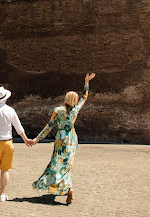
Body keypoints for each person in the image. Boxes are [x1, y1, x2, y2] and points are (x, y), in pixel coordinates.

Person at [32, 73, 96, 204]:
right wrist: (86, 82)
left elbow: (48, 126)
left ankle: (68, 188)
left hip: (61, 139)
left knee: (56, 164)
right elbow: (84, 97)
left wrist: (37, 139)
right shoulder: (76, 109)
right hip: (72, 138)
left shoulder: (58, 110)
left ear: (66, 98)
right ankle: (68, 188)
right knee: (66, 166)